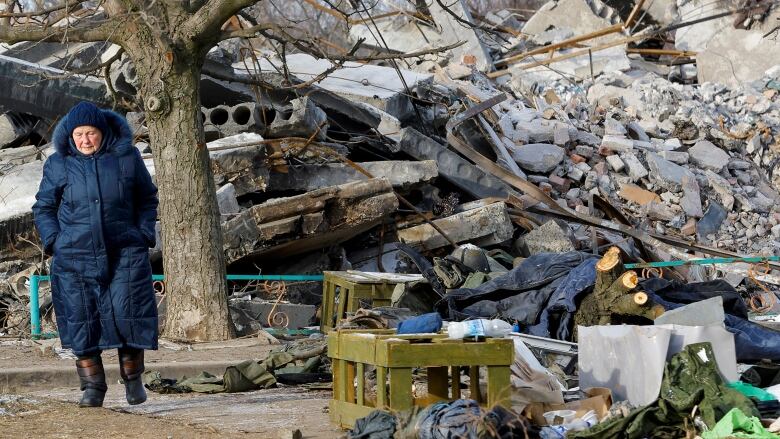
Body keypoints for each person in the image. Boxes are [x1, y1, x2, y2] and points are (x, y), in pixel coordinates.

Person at [32, 102, 159, 407]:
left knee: (127, 313)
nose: (85, 140)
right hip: (74, 257)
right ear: (70, 136)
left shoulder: (127, 157)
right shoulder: (58, 164)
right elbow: (44, 207)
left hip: (124, 252)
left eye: (90, 133)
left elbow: (147, 199)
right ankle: (93, 387)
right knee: (81, 318)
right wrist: (55, 241)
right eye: (79, 134)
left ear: (102, 133)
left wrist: (142, 233)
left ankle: (132, 378)